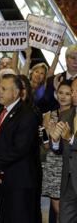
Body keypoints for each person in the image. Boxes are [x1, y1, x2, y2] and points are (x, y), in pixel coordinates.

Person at [0, 74, 41, 223]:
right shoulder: (1, 112)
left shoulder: (27, 114)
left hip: (20, 183)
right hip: (4, 180)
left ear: (15, 93)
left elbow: (20, 149)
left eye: (3, 89)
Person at [42, 81, 72, 221]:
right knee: (58, 211)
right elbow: (46, 146)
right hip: (53, 167)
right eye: (61, 93)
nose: (63, 97)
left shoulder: (74, 115)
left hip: (69, 166)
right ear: (56, 94)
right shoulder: (48, 115)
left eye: (68, 93)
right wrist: (46, 132)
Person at [49, 77, 77, 223]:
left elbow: (71, 140)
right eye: (72, 91)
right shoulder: (65, 115)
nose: (73, 94)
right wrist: (55, 141)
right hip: (68, 182)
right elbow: (59, 150)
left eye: (75, 91)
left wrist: (71, 138)